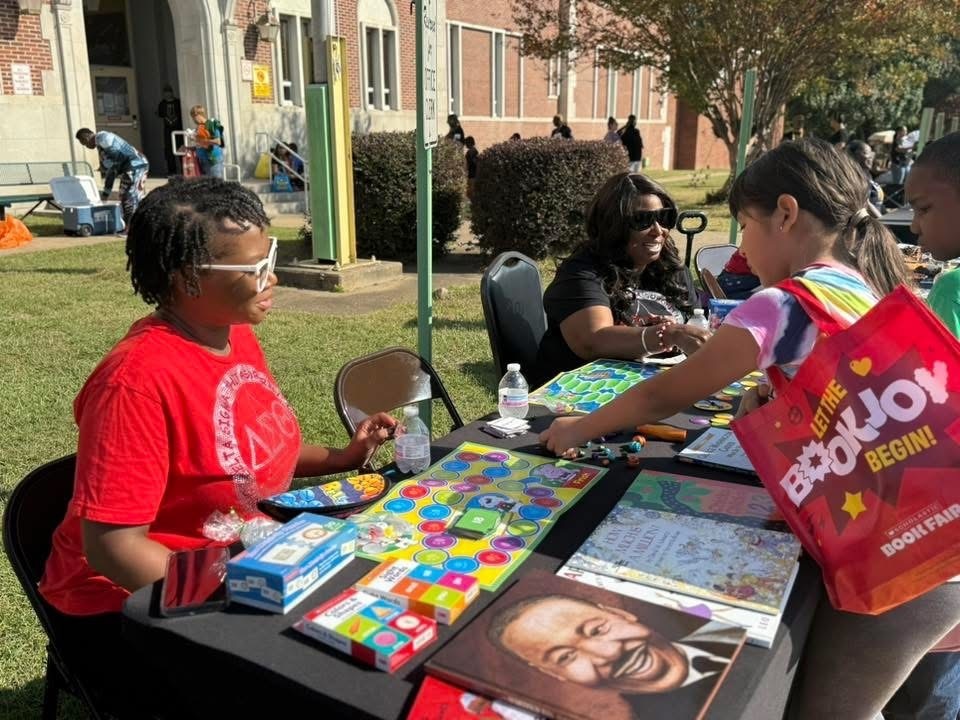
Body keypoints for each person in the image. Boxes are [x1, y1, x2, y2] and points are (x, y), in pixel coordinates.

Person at [540, 138, 960, 720]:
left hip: (904, 553)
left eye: (744, 227)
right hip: (930, 531)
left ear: (785, 214)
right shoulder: (856, 282)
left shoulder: (783, 304)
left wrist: (578, 428)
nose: (740, 249)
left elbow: (665, 392)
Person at [37, 177, 397, 717]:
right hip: (127, 607)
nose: (273, 276)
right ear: (187, 277)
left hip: (235, 562)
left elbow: (247, 455)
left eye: (270, 257)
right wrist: (249, 587)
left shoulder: (232, 332)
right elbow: (113, 549)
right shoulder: (133, 385)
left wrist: (342, 458)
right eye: (256, 267)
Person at [885, 131, 960, 720]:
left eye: (925, 207)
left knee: (929, 683)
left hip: (941, 531)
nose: (913, 226)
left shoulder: (953, 288)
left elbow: (931, 400)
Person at [531, 173, 705, 388]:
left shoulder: (670, 267)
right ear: (614, 226)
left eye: (664, 218)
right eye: (642, 220)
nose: (658, 230)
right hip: (584, 394)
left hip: (656, 387)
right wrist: (667, 335)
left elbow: (697, 323)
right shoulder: (582, 273)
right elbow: (593, 340)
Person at [487, 594, 742, 702]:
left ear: (620, 614)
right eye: (566, 657)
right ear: (552, 673)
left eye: (598, 630)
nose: (608, 653)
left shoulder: (726, 632)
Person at [75, 127, 149, 229]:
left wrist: (106, 193)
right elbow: (112, 168)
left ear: (86, 137)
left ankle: (130, 229)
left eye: (84, 143)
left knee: (127, 196)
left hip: (134, 165)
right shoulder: (101, 141)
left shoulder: (103, 139)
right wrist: (106, 192)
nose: (86, 146)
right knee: (135, 197)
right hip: (139, 164)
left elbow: (113, 167)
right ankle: (142, 226)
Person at [845, 139, 884, 216]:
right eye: (866, 153)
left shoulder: (867, 175)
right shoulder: (854, 179)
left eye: (871, 153)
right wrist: (882, 221)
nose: (871, 157)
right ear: (854, 156)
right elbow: (866, 205)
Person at [189, 104, 225, 178]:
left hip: (212, 160)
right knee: (206, 184)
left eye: (193, 117)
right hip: (203, 160)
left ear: (197, 115)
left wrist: (199, 140)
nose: (193, 120)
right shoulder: (199, 128)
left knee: (215, 183)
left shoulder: (212, 124)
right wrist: (188, 148)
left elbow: (218, 141)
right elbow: (200, 145)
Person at [156, 84, 182, 175]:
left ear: (172, 92)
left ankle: (184, 169)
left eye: (169, 92)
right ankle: (172, 171)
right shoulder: (162, 104)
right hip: (167, 130)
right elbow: (159, 114)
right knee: (169, 150)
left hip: (178, 129)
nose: (167, 94)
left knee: (180, 148)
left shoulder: (178, 102)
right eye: (165, 93)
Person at [464, 136, 479, 200]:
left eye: (466, 143)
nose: (465, 145)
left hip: (471, 175)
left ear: (469, 143)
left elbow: (469, 163)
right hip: (474, 174)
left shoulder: (470, 152)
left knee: (470, 192)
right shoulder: (475, 151)